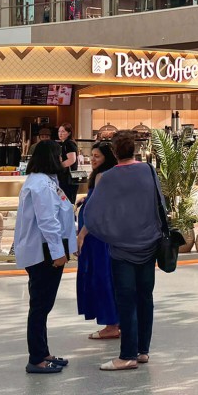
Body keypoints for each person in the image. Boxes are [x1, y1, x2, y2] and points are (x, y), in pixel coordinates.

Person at [78, 131, 165, 371]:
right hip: (148, 245)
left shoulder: (109, 177)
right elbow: (160, 204)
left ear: (114, 152)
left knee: (126, 300)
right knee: (145, 298)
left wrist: (108, 233)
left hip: (122, 249)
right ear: (135, 149)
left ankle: (127, 355)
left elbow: (92, 214)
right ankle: (142, 351)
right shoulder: (148, 170)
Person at [14, 141, 75, 374]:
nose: (63, 159)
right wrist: (59, 253)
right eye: (60, 156)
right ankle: (36, 358)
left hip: (47, 249)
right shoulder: (40, 184)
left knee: (43, 305)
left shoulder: (46, 181)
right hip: (45, 252)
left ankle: (44, 352)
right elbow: (48, 222)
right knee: (40, 306)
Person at [77, 142, 121, 341]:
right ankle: (114, 321)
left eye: (97, 156)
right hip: (101, 235)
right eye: (92, 155)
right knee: (105, 277)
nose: (93, 159)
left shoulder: (103, 176)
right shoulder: (104, 175)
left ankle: (111, 324)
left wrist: (82, 234)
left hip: (97, 236)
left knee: (101, 277)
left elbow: (101, 210)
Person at [54, 123, 80, 204]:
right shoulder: (66, 143)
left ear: (69, 133)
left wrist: (59, 166)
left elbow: (71, 160)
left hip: (68, 178)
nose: (60, 133)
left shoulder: (68, 143)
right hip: (68, 178)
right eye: (59, 131)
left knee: (67, 202)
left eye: (63, 131)